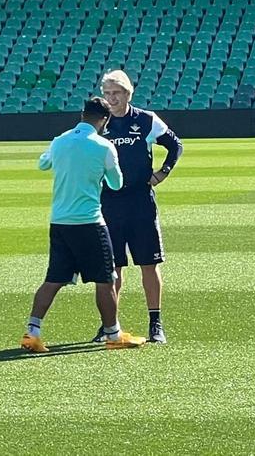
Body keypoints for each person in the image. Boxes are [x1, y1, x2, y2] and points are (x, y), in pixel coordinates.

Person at [21, 97, 146, 353]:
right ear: (105, 120)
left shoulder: (60, 141)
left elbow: (43, 164)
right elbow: (116, 183)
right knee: (106, 279)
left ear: (82, 114)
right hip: (89, 222)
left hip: (59, 221)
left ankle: (32, 332)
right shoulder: (104, 146)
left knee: (53, 279)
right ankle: (113, 333)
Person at [96, 70, 183, 344]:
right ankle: (110, 325)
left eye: (116, 93)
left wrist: (162, 173)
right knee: (112, 268)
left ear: (127, 94)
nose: (111, 99)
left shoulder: (145, 120)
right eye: (107, 94)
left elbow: (175, 145)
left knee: (149, 262)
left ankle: (155, 323)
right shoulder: (99, 123)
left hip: (140, 201)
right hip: (109, 202)